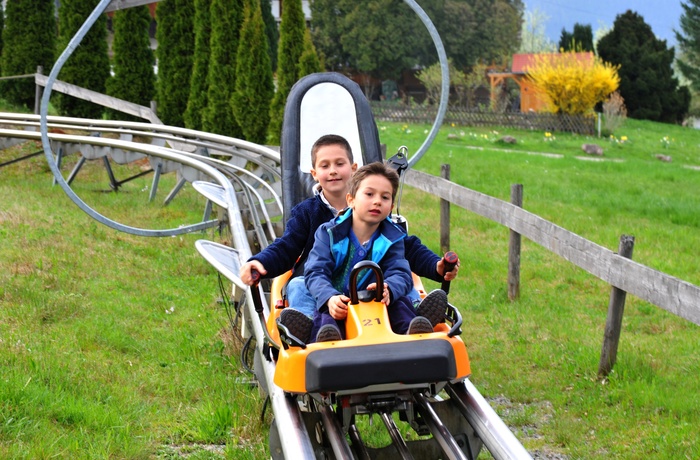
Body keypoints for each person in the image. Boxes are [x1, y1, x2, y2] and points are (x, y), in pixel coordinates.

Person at [238, 135, 458, 339]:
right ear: (314, 173)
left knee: (404, 280)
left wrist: (436, 267)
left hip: (372, 286)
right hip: (324, 284)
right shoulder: (310, 216)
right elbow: (286, 247)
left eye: (339, 164)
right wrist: (260, 261)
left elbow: (406, 248)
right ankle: (308, 327)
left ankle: (417, 318)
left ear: (353, 169)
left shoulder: (377, 213)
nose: (333, 170)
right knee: (297, 285)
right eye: (325, 166)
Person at [304, 162, 445, 343]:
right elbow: (316, 271)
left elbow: (400, 272)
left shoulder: (393, 237)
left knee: (400, 303)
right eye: (369, 194)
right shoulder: (329, 233)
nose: (377, 201)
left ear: (391, 206)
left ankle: (414, 332)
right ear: (351, 200)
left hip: (376, 302)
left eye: (385, 197)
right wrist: (329, 297)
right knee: (324, 315)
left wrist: (389, 289)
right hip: (339, 300)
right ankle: (326, 338)